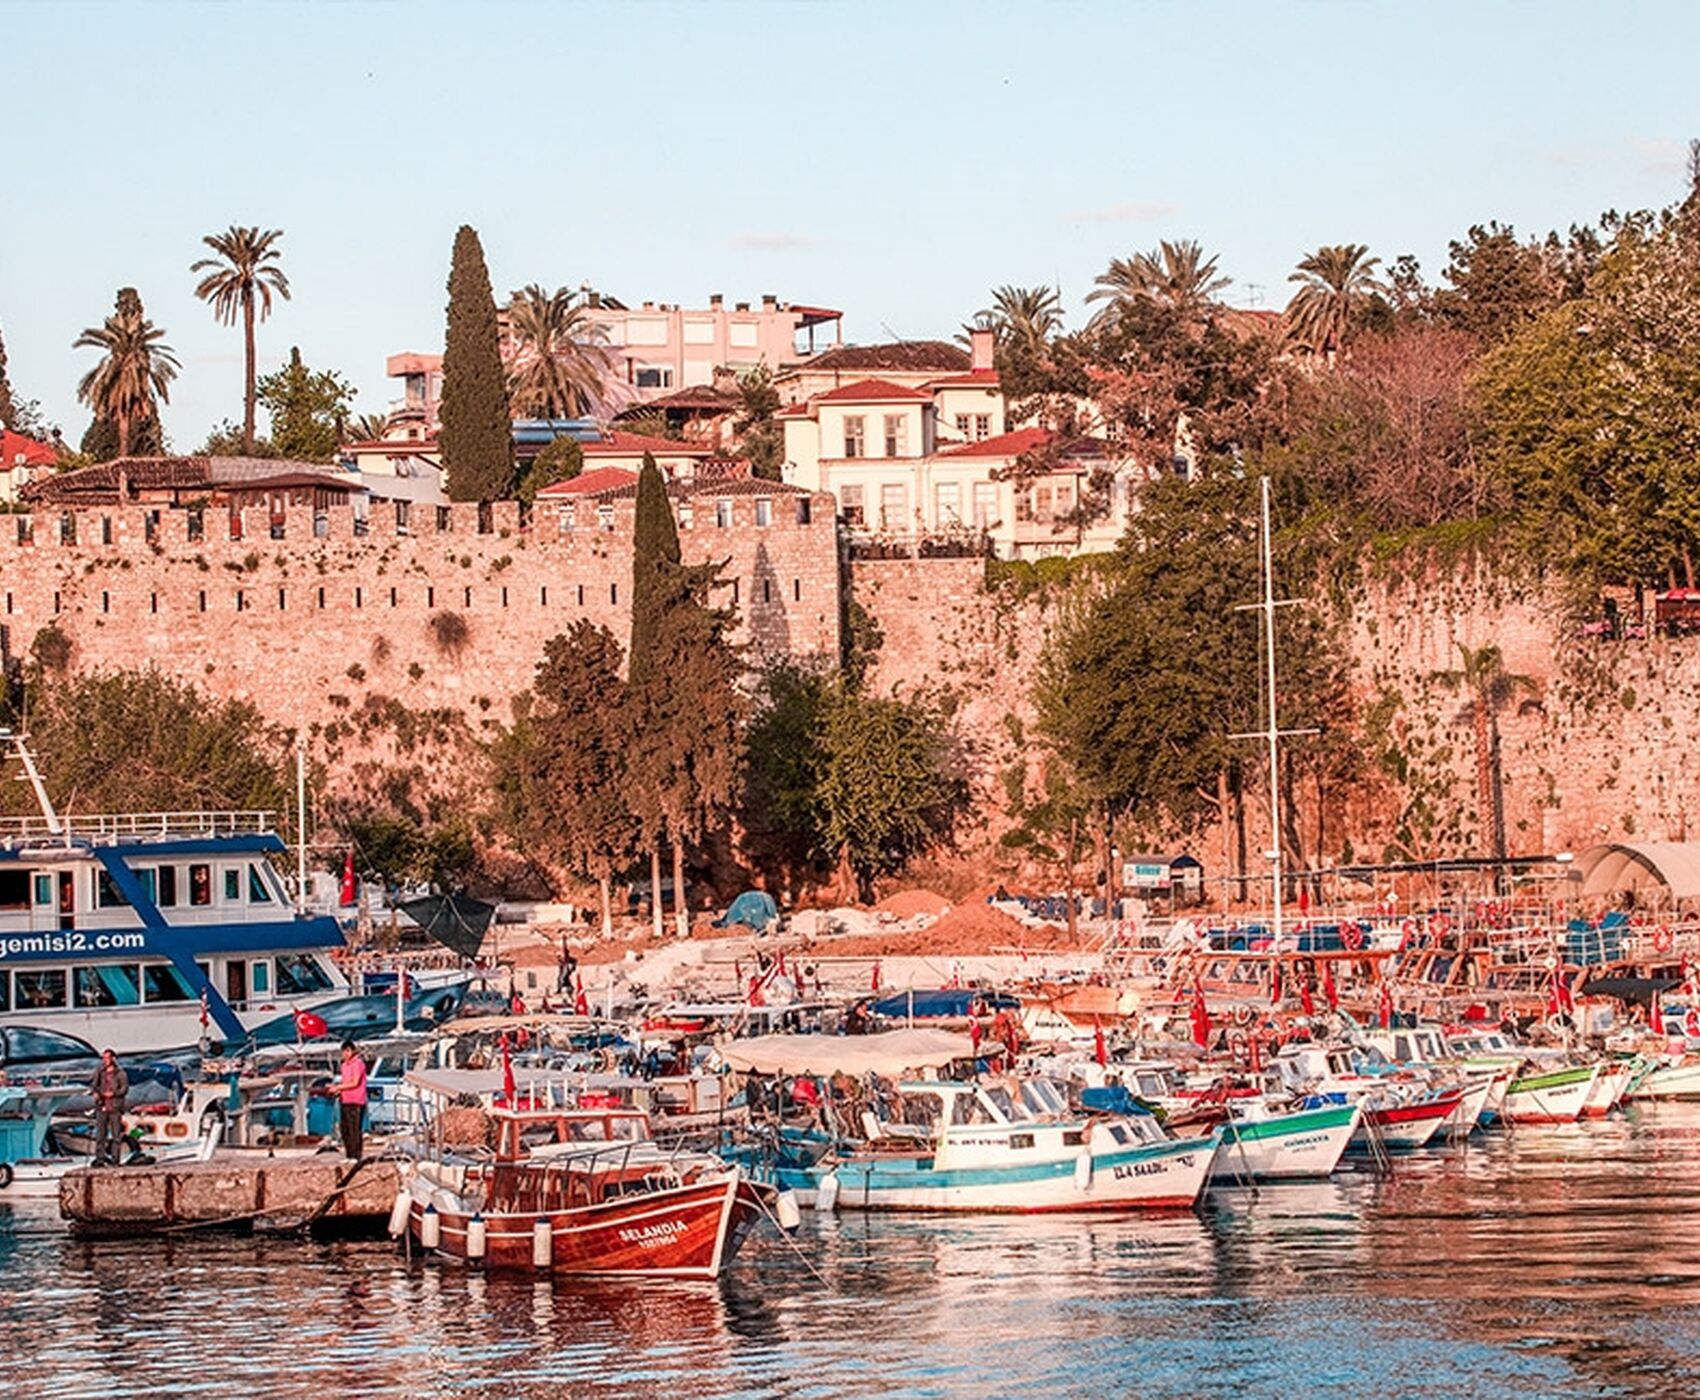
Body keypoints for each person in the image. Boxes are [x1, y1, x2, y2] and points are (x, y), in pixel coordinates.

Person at [90, 1049, 129, 1165]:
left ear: (112, 1058)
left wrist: (114, 1093)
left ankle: (115, 1160)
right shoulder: (99, 1071)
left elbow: (124, 1088)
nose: (105, 1061)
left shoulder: (120, 1073)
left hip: (115, 1107)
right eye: (103, 1058)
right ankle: (100, 1158)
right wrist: (96, 1093)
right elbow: (94, 1085)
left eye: (107, 1058)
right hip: (102, 1106)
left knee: (116, 1135)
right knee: (100, 1135)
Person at [336, 1040, 368, 1159]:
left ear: (352, 1051)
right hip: (345, 1100)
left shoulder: (358, 1063)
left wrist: (338, 1087)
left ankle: (356, 1156)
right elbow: (346, 1082)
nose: (345, 1054)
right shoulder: (344, 1065)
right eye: (344, 1051)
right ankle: (349, 1155)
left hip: (356, 1101)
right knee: (345, 1129)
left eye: (348, 1051)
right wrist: (339, 1089)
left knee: (354, 1129)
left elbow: (355, 1082)